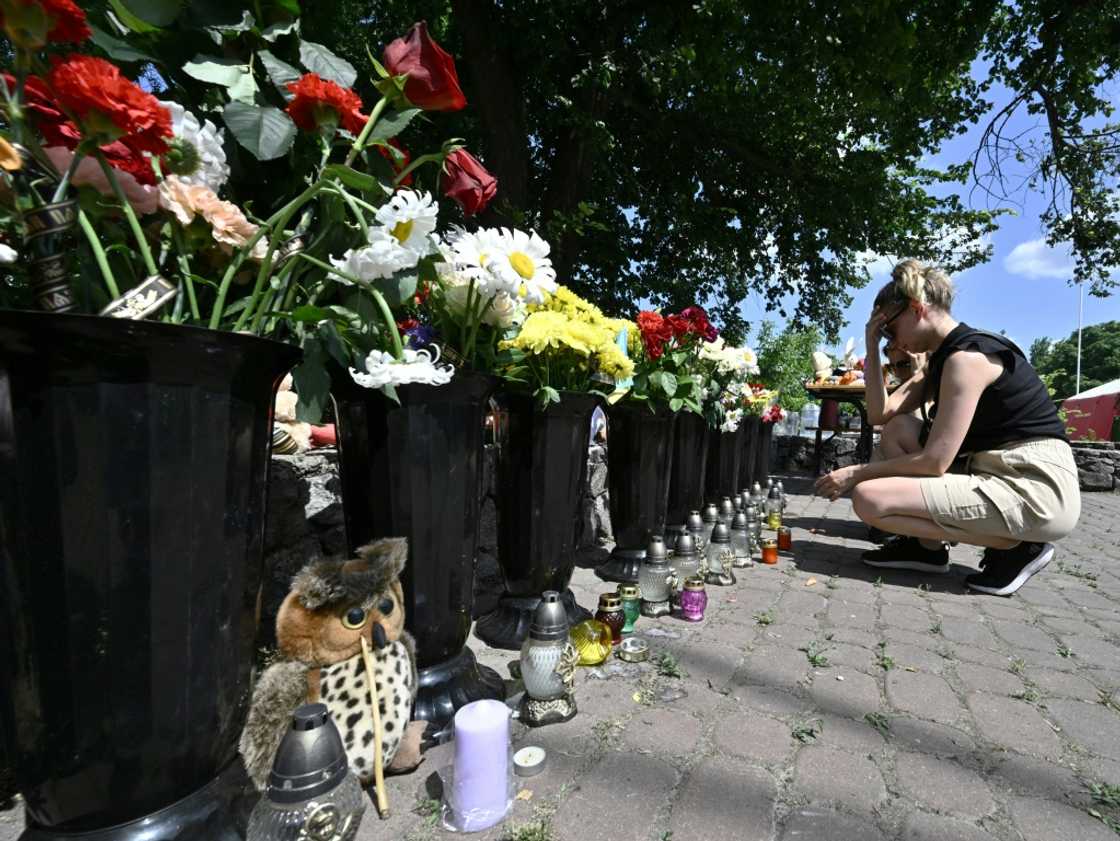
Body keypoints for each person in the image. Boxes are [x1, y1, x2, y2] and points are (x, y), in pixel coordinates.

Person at [814, 259, 1080, 596]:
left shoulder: (966, 359)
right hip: (996, 471)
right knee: (898, 429)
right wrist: (870, 345)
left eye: (889, 330)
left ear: (916, 309)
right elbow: (880, 414)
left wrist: (856, 473)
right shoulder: (944, 358)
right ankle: (925, 549)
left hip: (1034, 488)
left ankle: (1019, 547)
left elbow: (934, 462)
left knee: (869, 498)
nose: (892, 342)